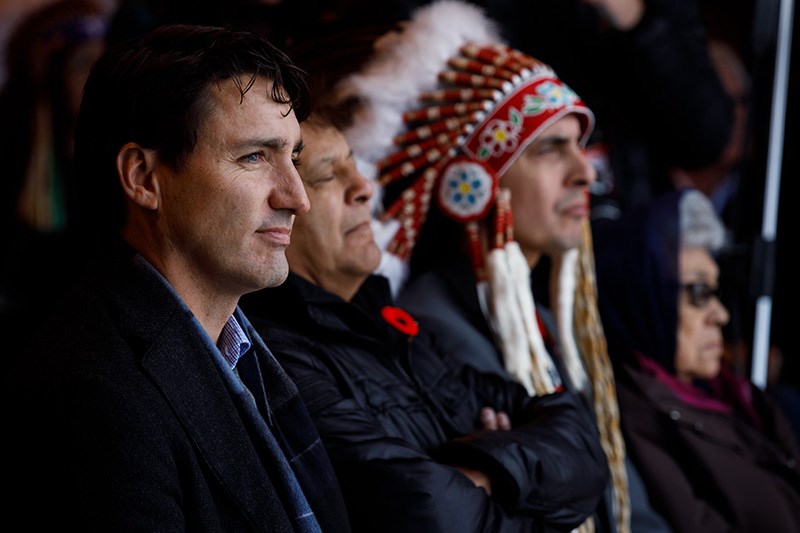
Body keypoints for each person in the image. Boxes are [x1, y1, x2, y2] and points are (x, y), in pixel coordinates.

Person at [326, 1, 671, 532]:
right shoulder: (432, 322)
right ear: (475, 182)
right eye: (551, 150)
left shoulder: (548, 320)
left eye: (581, 147)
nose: (586, 173)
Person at [4, 24, 351, 532]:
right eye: (254, 157)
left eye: (292, 157)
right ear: (144, 178)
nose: (297, 197)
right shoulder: (97, 396)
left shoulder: (237, 344)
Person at [240, 111, 610, 532]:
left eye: (356, 168)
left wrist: (489, 468)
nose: (364, 188)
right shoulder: (278, 358)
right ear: (283, 206)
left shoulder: (397, 329)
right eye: (328, 176)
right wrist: (522, 485)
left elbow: (583, 444)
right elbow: (429, 513)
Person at [592, 187, 800, 532]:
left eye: (715, 293)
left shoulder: (727, 391)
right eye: (699, 294)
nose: (720, 315)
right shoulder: (635, 416)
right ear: (647, 299)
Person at [0, 0, 109, 365]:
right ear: (50, 73)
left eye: (101, 61)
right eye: (82, 64)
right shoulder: (13, 143)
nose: (96, 77)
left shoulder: (110, 146)